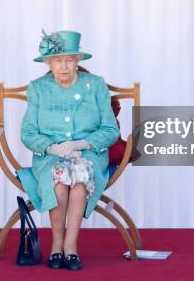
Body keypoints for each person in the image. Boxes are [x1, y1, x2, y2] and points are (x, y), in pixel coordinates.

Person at [18, 30, 120, 270]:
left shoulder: (95, 85)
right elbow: (28, 133)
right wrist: (53, 147)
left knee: (80, 178)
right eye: (57, 60)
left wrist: (80, 144)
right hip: (50, 156)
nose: (63, 66)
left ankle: (70, 247)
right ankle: (56, 245)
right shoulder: (38, 88)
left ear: (78, 61)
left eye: (69, 60)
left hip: (90, 153)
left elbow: (110, 130)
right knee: (60, 181)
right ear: (49, 63)